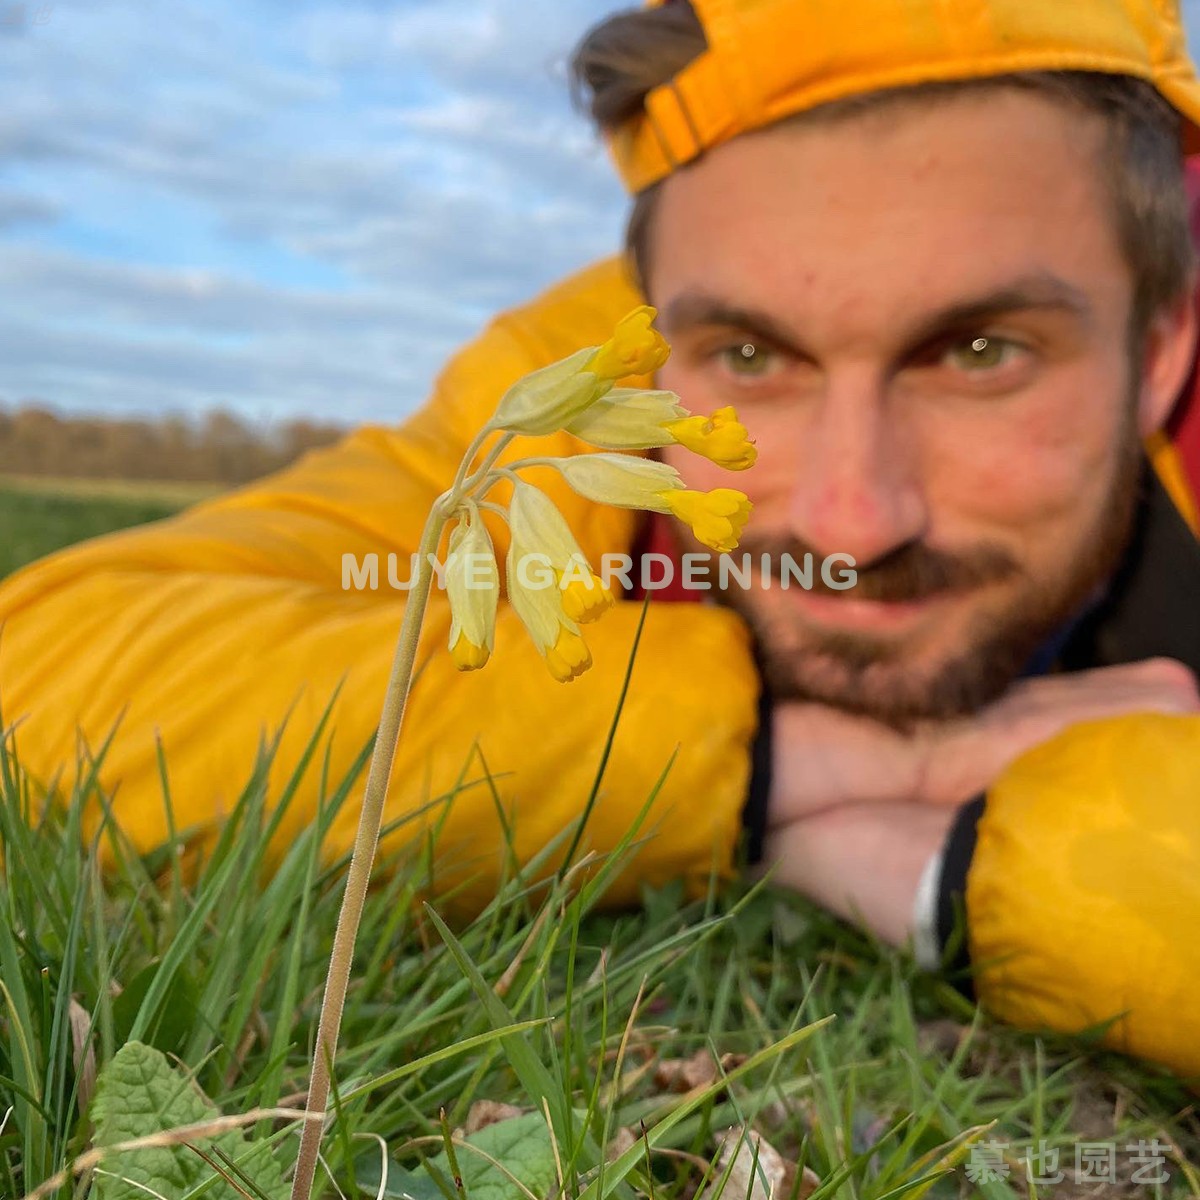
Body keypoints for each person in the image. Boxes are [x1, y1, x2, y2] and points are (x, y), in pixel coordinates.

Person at [3, 0, 1200, 1080]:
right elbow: (44, 691)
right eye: (748, 359)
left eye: (980, 353)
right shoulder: (574, 386)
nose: (851, 521)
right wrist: (779, 766)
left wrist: (966, 873)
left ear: (1160, 349)